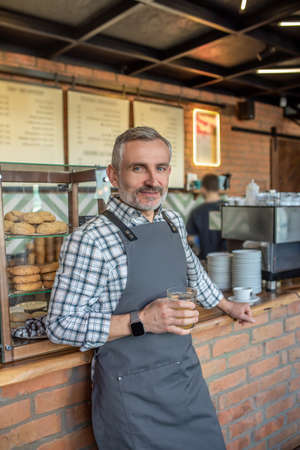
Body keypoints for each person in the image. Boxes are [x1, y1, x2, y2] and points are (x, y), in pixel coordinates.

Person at [47, 127, 254, 450]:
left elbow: (194, 272)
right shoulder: (91, 240)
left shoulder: (171, 221)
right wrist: (141, 319)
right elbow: (60, 326)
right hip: (132, 397)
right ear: (113, 175)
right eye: (137, 168)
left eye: (160, 168)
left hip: (185, 381)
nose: (152, 180)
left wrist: (228, 306)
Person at [187, 173, 227, 261]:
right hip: (229, 262)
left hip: (205, 262)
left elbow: (190, 239)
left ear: (203, 189)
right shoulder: (229, 208)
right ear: (218, 188)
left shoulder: (197, 212)